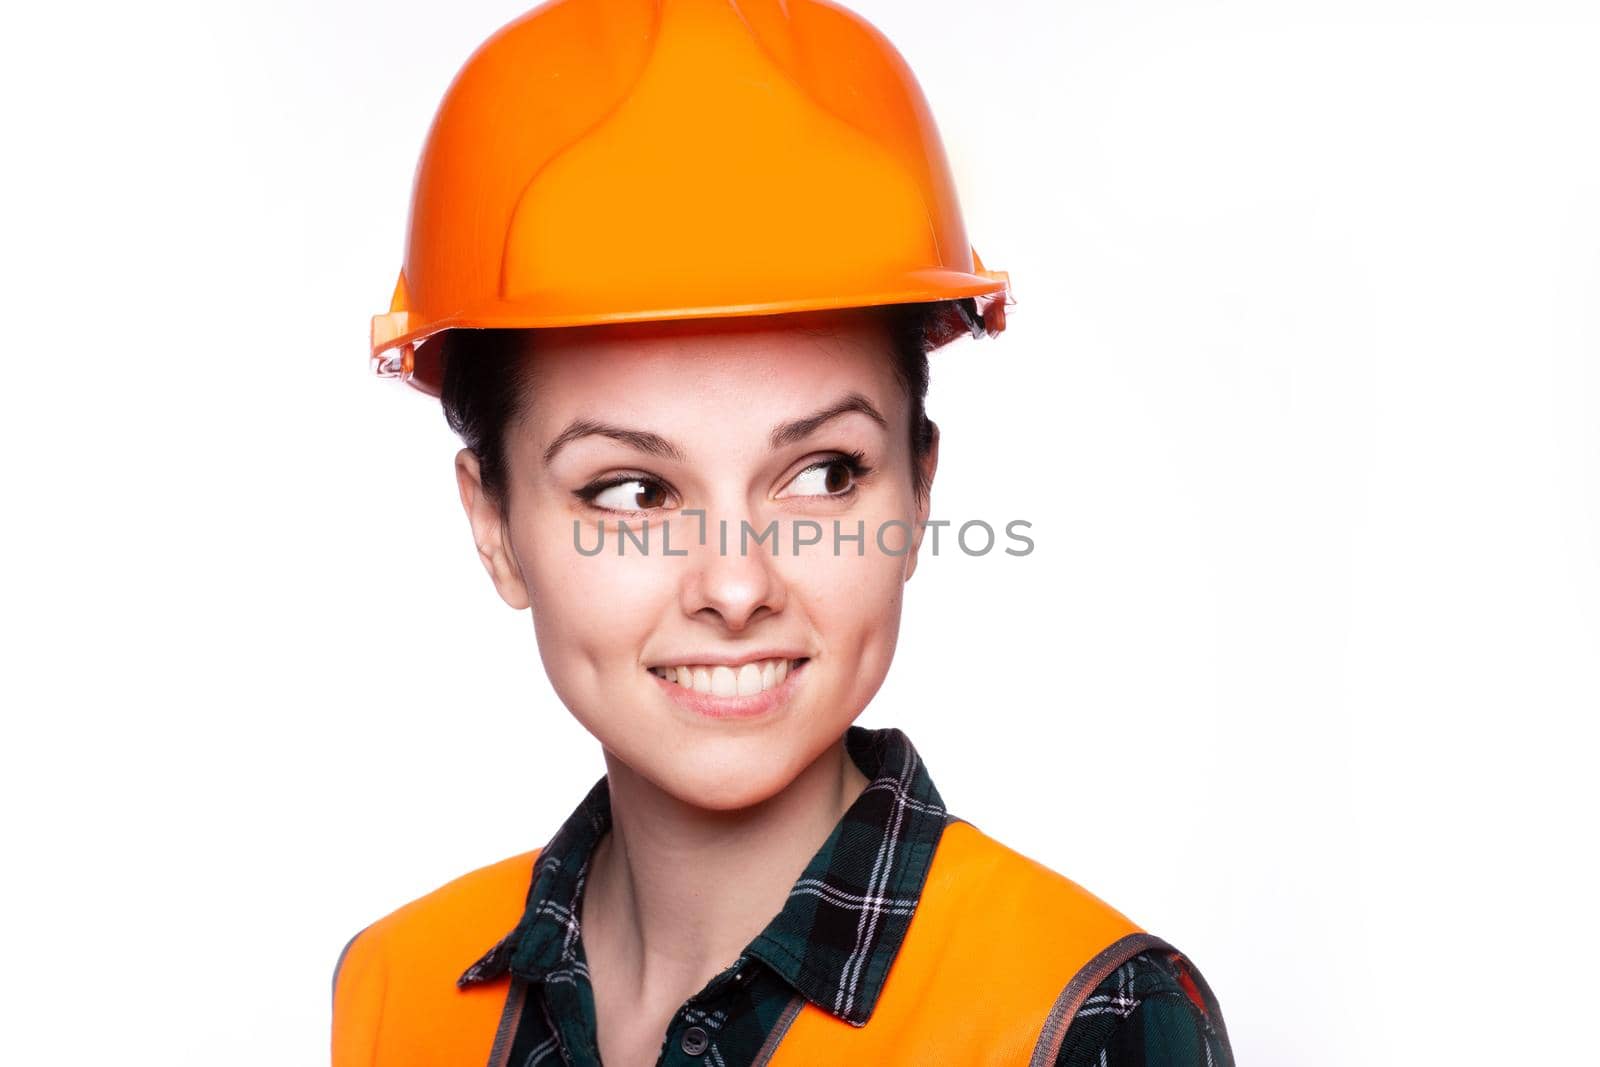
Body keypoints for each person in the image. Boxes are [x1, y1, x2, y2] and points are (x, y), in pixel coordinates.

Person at [334, 2, 1234, 1065]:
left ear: (915, 491)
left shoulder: (1087, 1018)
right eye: (630, 492)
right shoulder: (396, 992)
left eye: (821, 474)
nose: (734, 582)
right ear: (494, 526)